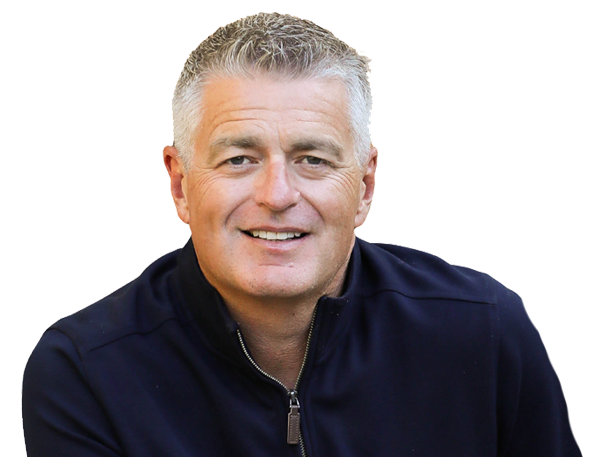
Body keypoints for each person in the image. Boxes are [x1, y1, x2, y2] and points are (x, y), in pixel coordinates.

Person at [22, 13, 581, 456]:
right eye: (239, 159)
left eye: (313, 159)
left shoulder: (484, 333)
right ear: (179, 183)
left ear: (364, 186)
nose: (277, 194)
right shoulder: (85, 371)